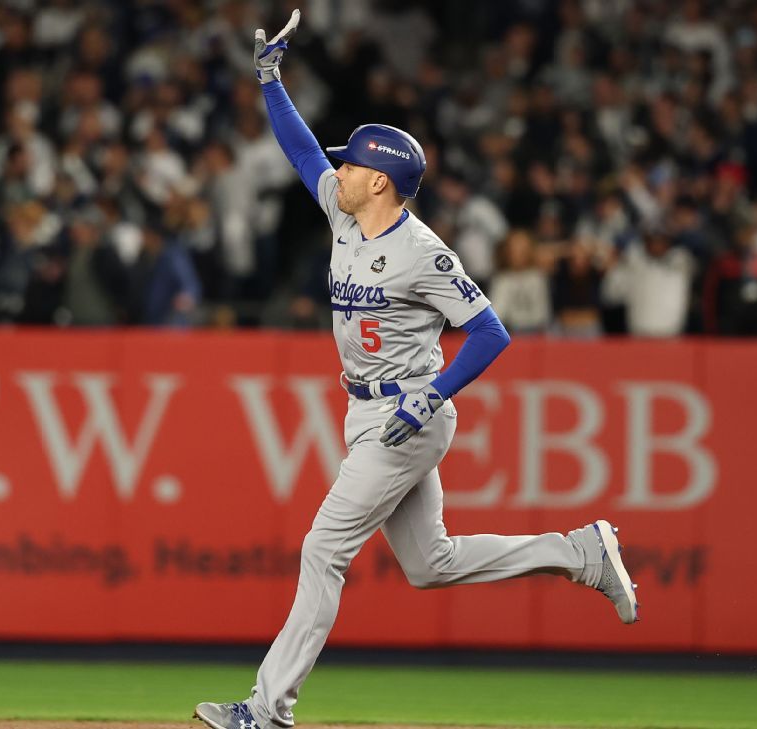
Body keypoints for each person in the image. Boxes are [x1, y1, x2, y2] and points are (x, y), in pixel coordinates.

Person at [193, 12, 639, 729]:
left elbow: (491, 332)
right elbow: (300, 149)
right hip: (366, 407)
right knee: (430, 562)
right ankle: (579, 551)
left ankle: (266, 709)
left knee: (322, 546)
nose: (334, 171)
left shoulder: (422, 252)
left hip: (406, 412)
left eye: (350, 165)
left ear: (377, 181)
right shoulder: (344, 216)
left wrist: (431, 395)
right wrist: (270, 80)